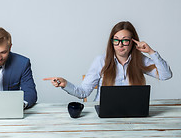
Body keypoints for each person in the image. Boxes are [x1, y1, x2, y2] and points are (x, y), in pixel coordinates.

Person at [44, 21, 172, 101]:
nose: (120, 45)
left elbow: (166, 75)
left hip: (133, 116)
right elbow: (83, 92)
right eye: (116, 40)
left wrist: (151, 52)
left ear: (133, 42)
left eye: (125, 40)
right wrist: (65, 84)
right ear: (112, 42)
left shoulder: (140, 60)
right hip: (104, 116)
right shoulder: (101, 61)